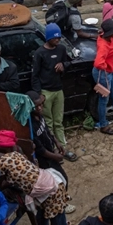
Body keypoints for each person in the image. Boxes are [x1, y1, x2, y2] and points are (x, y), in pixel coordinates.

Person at [31, 23, 77, 161]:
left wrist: (64, 65)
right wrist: (39, 93)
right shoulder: (40, 53)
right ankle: (52, 150)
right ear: (48, 38)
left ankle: (63, 148)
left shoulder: (61, 49)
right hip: (46, 92)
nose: (58, 40)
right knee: (48, 123)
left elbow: (69, 63)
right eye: (55, 38)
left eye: (59, 37)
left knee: (58, 121)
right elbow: (35, 75)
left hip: (58, 90)